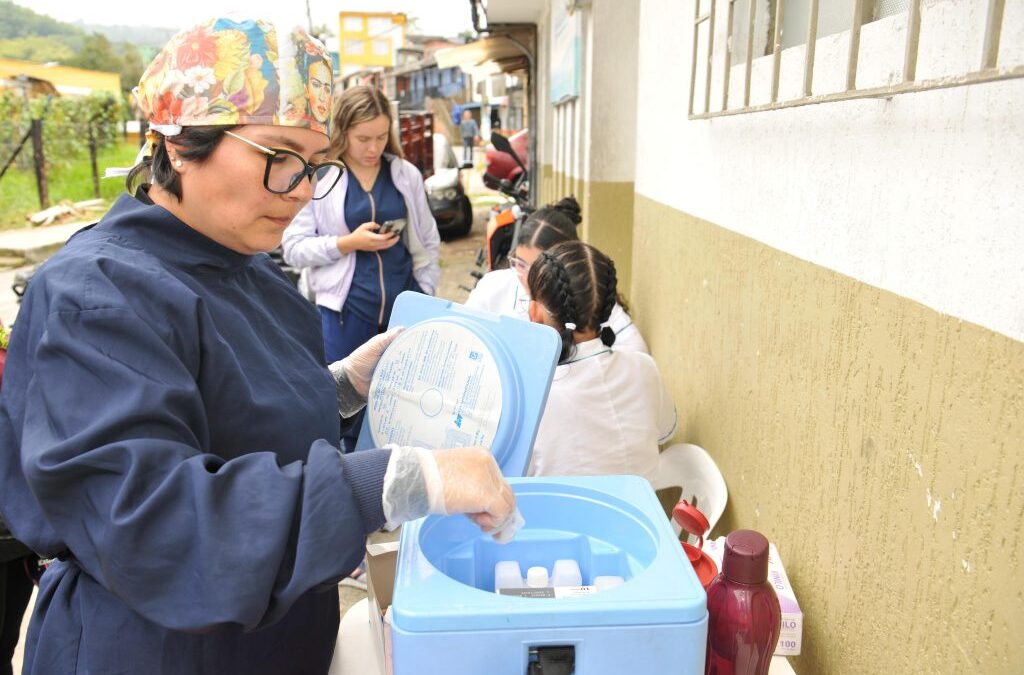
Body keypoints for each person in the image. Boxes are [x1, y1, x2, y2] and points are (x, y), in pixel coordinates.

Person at [0, 18, 519, 675]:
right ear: (180, 143)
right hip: (161, 650)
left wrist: (340, 386)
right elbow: (155, 525)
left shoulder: (248, 269)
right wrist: (392, 482)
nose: (300, 189)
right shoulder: (97, 295)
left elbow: (230, 414)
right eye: (278, 155)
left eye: (314, 163)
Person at [283, 85, 440, 452]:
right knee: (346, 412)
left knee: (405, 406)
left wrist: (426, 293)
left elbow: (428, 244)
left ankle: (397, 477)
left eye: (382, 137)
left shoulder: (404, 174)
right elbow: (293, 249)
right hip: (345, 316)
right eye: (363, 139)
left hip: (404, 310)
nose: (373, 148)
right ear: (343, 132)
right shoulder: (322, 177)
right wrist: (348, 243)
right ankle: (351, 478)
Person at [524, 241, 677, 482]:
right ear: (607, 307)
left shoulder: (533, 396)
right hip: (642, 506)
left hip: (562, 509)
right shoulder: (644, 367)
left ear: (535, 312)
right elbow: (666, 431)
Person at [466, 196, 650, 353]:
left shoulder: (591, 303)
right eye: (520, 264)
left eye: (537, 267)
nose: (527, 277)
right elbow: (464, 335)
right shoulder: (494, 286)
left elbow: (636, 350)